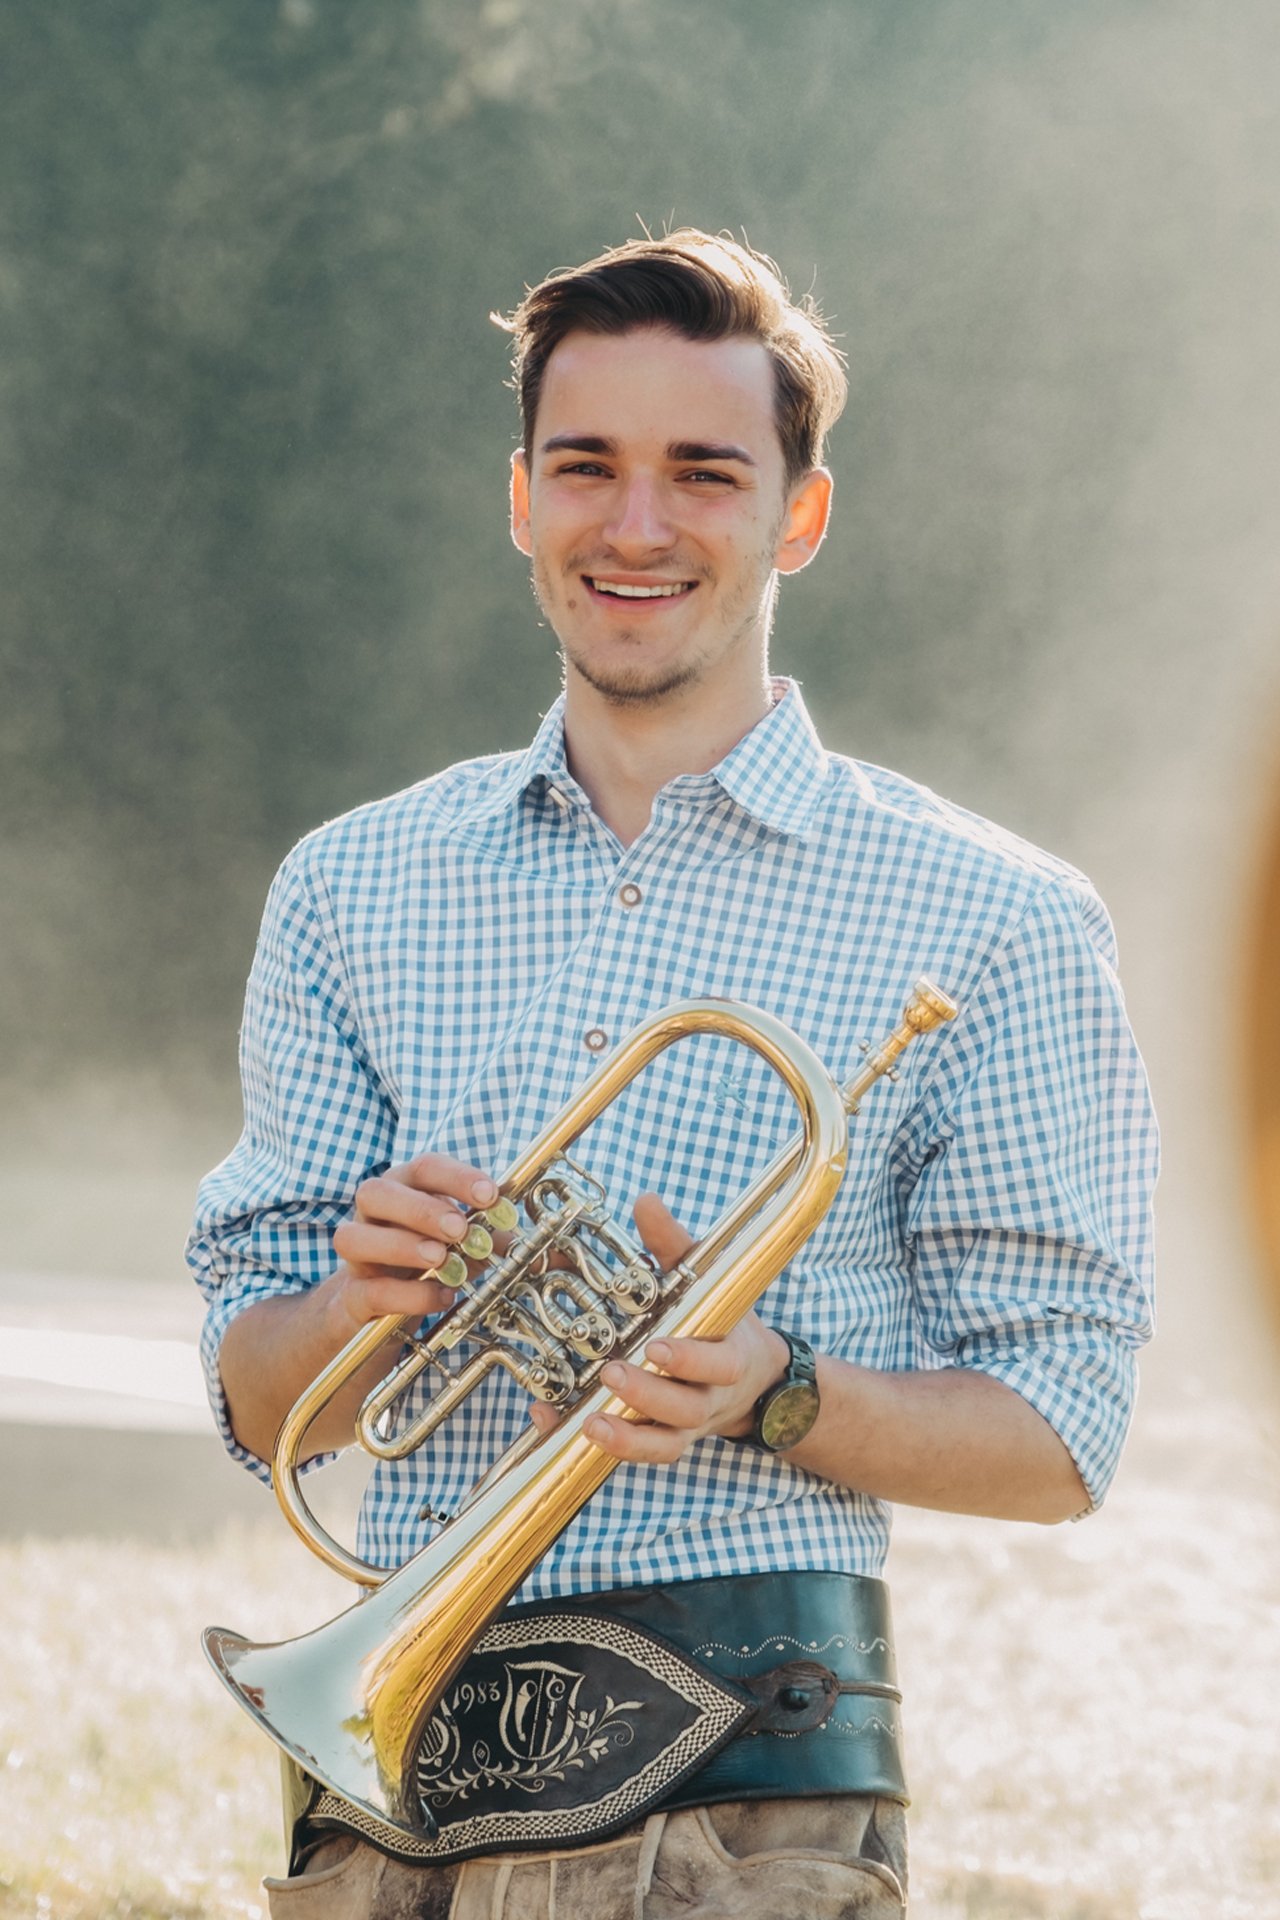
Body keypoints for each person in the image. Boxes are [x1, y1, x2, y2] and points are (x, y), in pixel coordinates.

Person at [188, 228, 1157, 1919]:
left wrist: (782, 1391)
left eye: (703, 473)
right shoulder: (353, 886)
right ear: (520, 500)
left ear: (800, 513)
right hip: (389, 1806)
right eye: (589, 469)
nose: (636, 527)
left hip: (752, 1813)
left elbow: (1062, 1433)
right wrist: (353, 1305)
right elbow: (258, 1403)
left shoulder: (994, 918)